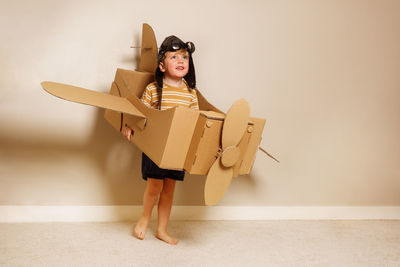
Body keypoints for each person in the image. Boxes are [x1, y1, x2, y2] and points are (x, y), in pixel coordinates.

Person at [122, 35, 199, 245]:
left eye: (184, 57)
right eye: (174, 57)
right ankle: (144, 218)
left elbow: (195, 121)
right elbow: (139, 112)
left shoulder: (190, 94)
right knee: (154, 187)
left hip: (177, 149)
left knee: (169, 190)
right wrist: (129, 125)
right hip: (156, 146)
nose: (181, 61)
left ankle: (162, 229)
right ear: (162, 66)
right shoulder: (154, 89)